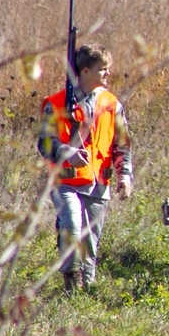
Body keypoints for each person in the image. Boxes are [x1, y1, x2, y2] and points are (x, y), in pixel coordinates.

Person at [38, 43, 133, 292]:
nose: (108, 74)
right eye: (103, 69)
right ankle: (70, 281)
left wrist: (125, 175)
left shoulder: (112, 104)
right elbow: (44, 144)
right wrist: (67, 152)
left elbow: (121, 145)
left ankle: (86, 290)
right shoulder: (57, 103)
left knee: (90, 241)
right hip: (66, 181)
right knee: (70, 224)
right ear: (85, 71)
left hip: (98, 183)